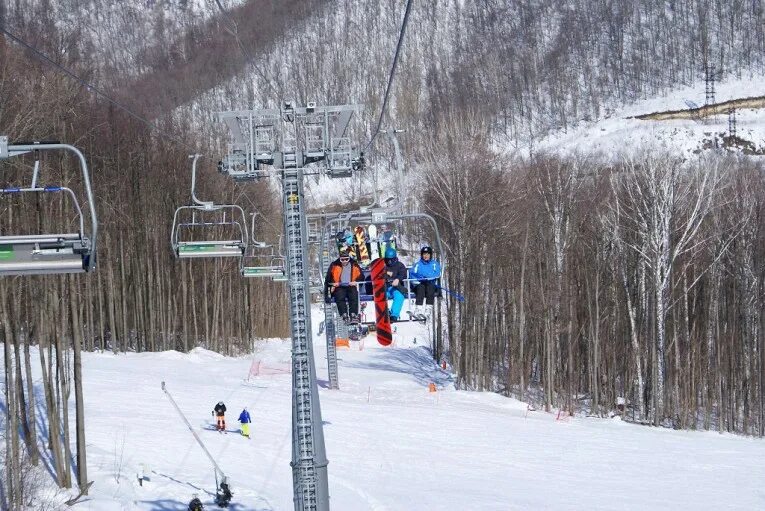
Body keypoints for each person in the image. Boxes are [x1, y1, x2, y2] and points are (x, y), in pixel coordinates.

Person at [324, 248, 365, 322]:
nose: (344, 261)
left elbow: (361, 276)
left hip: (351, 285)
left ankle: (353, 314)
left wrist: (356, 282)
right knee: (339, 296)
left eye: (346, 259)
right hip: (339, 286)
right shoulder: (334, 265)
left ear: (349, 259)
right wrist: (329, 291)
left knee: (354, 294)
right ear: (339, 259)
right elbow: (328, 280)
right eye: (342, 260)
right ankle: (344, 314)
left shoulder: (354, 265)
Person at [409, 246, 442, 316]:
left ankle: (428, 309)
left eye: (427, 254)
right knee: (421, 288)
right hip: (419, 284)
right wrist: (419, 278)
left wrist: (427, 276)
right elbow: (412, 274)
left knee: (431, 287)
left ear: (430, 255)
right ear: (422, 255)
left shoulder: (434, 264)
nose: (426, 256)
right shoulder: (418, 264)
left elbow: (437, 273)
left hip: (430, 284)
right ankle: (418, 309)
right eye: (424, 254)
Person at [383, 247, 408, 322]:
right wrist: (386, 273)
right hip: (385, 287)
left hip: (396, 288)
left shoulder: (400, 265)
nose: (389, 262)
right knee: (381, 296)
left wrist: (397, 279)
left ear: (395, 258)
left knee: (399, 296)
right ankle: (384, 312)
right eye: (388, 260)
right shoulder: (383, 265)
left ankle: (394, 315)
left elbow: (403, 274)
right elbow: (377, 274)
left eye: (391, 260)